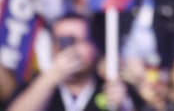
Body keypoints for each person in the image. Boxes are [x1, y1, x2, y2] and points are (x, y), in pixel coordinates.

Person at [6, 12, 142, 111]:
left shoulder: (111, 85)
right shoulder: (37, 86)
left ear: (93, 46)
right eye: (64, 41)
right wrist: (49, 79)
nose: (72, 50)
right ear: (53, 48)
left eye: (78, 41)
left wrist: (123, 106)